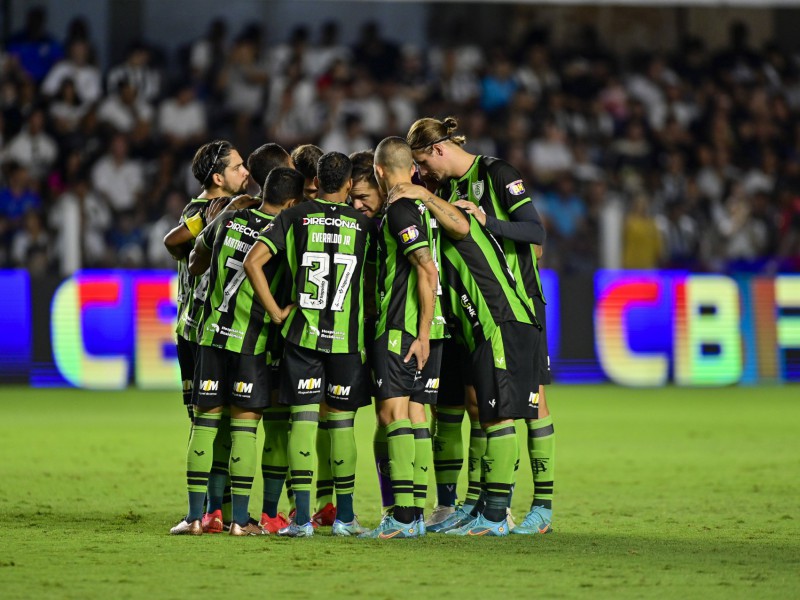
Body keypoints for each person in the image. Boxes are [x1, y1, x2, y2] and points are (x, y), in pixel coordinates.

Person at [392, 115, 549, 535]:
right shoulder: (450, 190)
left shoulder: (497, 173)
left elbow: (535, 231)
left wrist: (487, 222)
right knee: (480, 404)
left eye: (424, 163)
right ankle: (481, 503)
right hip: (473, 309)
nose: (423, 173)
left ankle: (535, 509)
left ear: (439, 150)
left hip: (515, 302)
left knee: (528, 405)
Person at [244, 152, 372, 537]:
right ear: (349, 184)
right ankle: (345, 518)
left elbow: (253, 262)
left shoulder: (294, 216)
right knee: (342, 425)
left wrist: (277, 312)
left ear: (315, 179)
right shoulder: (365, 225)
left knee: (302, 420)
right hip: (346, 339)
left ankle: (300, 520)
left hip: (301, 336)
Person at [173, 167, 303, 537]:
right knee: (245, 430)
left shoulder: (228, 216)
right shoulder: (285, 232)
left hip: (211, 338)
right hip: (251, 343)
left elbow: (195, 262)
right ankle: (240, 521)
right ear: (292, 202)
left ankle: (195, 517)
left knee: (205, 425)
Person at [359, 137, 445, 539]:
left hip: (401, 328)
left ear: (378, 171)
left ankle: (405, 518)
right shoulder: (420, 208)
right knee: (414, 416)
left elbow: (428, 271)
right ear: (412, 168)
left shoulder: (398, 210)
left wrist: (422, 333)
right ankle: (413, 514)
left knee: (393, 416)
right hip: (419, 327)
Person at [164, 140, 249, 534]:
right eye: (238, 167)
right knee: (208, 422)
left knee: (223, 422)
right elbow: (173, 241)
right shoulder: (200, 211)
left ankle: (217, 511)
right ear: (218, 177)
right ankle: (211, 509)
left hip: (220, 331)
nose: (245, 173)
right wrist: (225, 214)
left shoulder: (240, 207)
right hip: (196, 333)